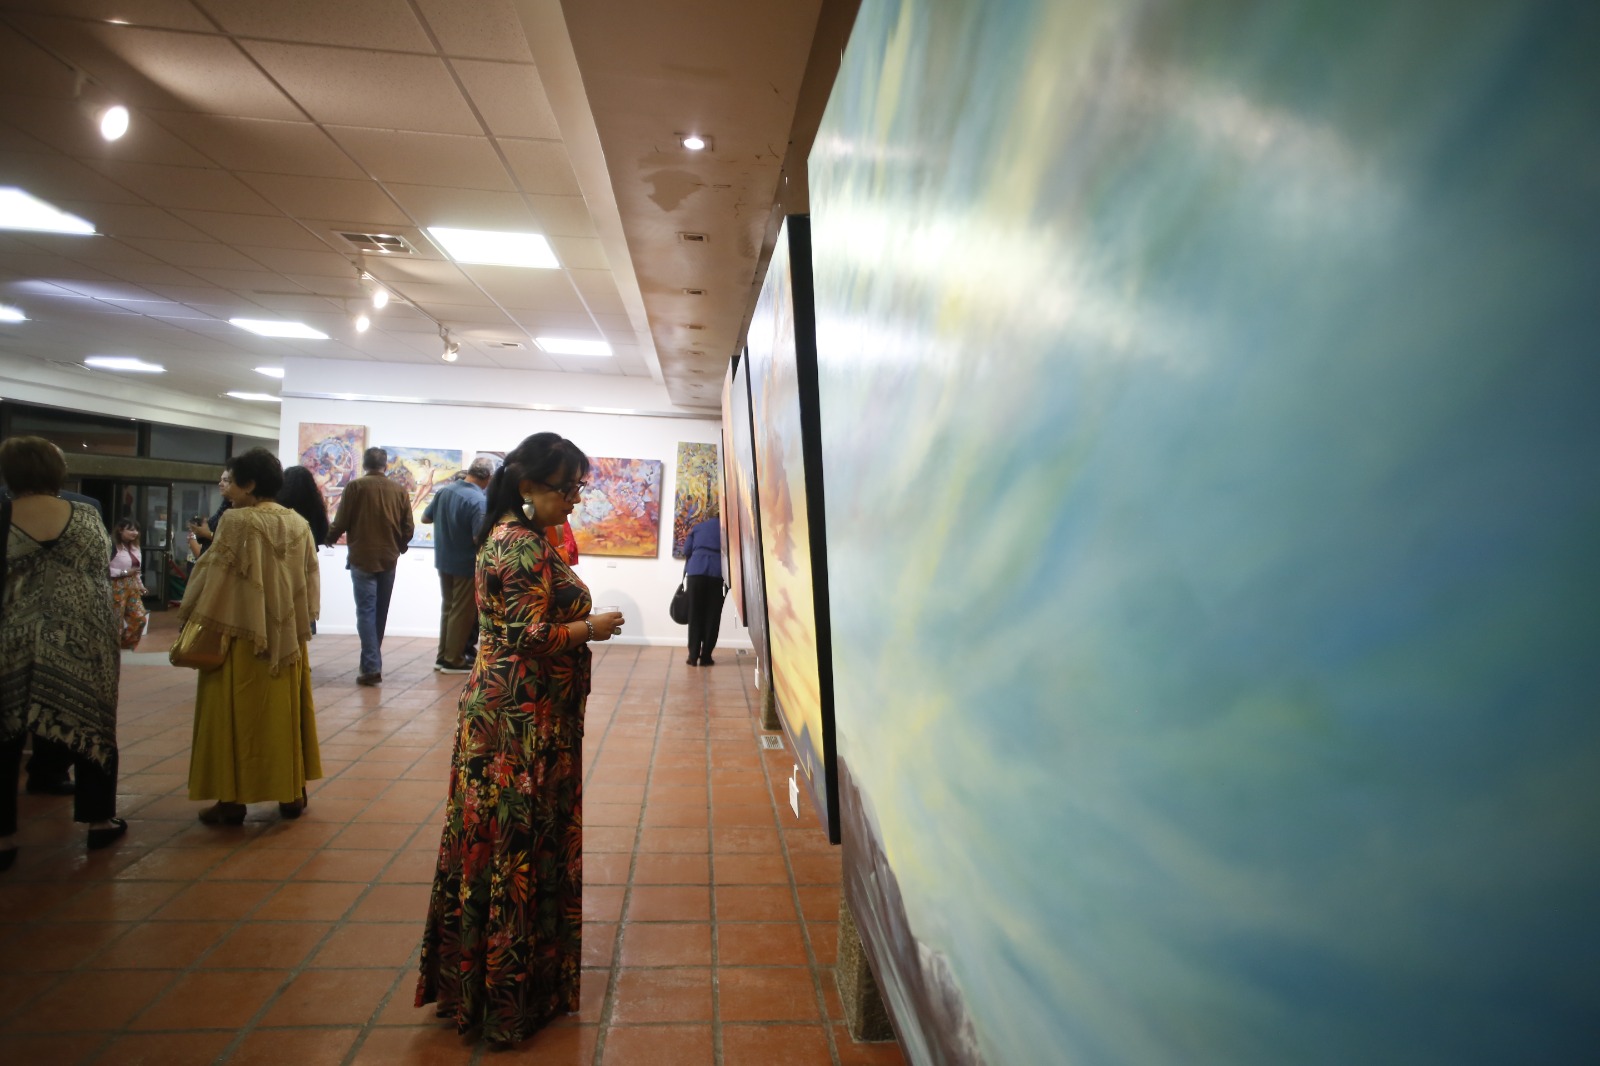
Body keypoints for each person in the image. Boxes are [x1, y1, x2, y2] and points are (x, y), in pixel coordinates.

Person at [416, 432, 625, 1046]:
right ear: (529, 484)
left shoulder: (515, 536)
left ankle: (492, 990)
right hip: (519, 724)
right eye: (567, 488)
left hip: (518, 715)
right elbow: (524, 637)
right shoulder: (520, 544)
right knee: (514, 848)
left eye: (578, 488)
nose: (574, 500)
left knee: (502, 846)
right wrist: (590, 628)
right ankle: (507, 1000)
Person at [0, 436, 126, 868]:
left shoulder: (4, 514)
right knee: (94, 723)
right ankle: (99, 821)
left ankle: (4, 838)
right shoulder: (87, 513)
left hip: (14, 636)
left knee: (6, 733)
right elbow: (104, 561)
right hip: (84, 635)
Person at [178, 448, 321, 826]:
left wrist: (191, 612)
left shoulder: (237, 522)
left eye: (233, 482)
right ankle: (292, 791)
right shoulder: (298, 523)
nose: (226, 489)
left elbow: (212, 577)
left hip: (242, 638)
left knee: (234, 714)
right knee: (284, 713)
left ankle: (231, 799)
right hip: (287, 639)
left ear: (251, 484)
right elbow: (309, 580)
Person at [326, 447, 413, 686]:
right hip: (388, 558)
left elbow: (341, 520)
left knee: (366, 611)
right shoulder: (399, 490)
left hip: (362, 557)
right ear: (386, 465)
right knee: (380, 613)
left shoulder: (355, 487)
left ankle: (371, 665)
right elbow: (408, 527)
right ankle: (371, 664)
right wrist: (399, 547)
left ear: (364, 465)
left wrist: (329, 537)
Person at [421, 459, 492, 673]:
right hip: (465, 564)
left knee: (449, 609)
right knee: (462, 613)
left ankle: (443, 657)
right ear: (487, 478)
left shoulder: (444, 491)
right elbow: (479, 538)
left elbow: (425, 518)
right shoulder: (478, 500)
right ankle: (453, 660)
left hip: (444, 560)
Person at [683, 513, 726, 666]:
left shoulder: (698, 528)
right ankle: (706, 656)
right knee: (713, 616)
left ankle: (693, 656)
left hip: (696, 571)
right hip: (718, 572)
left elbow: (686, 550)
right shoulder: (727, 530)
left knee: (694, 614)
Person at [110, 518, 148, 650]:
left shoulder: (135, 547)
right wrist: (124, 572)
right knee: (116, 620)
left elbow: (137, 570)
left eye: (137, 530)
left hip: (132, 585)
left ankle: (124, 644)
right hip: (115, 584)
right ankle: (113, 647)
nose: (135, 533)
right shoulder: (111, 545)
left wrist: (141, 586)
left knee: (140, 618)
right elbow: (103, 568)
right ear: (120, 530)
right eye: (131, 530)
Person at [184, 468, 233, 559]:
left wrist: (207, 534)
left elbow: (231, 542)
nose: (220, 483)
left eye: (225, 480)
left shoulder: (235, 509)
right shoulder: (224, 505)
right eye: (221, 480)